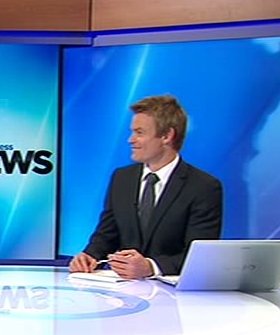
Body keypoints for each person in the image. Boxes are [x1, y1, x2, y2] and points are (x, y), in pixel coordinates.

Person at [69, 95, 222, 279]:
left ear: (167, 136)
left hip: (172, 291)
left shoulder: (203, 187)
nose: (130, 140)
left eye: (139, 133)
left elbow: (199, 256)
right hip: (123, 289)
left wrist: (151, 267)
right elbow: (107, 234)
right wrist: (90, 255)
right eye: (132, 132)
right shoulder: (122, 178)